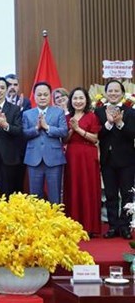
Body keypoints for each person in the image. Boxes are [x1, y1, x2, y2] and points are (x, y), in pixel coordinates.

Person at [95, 79, 135, 240]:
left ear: (122, 93)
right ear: (105, 93)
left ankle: (125, 226)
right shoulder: (98, 112)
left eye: (116, 90)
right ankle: (113, 226)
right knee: (110, 194)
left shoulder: (130, 112)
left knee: (126, 194)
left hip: (127, 160)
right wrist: (109, 124)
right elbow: (97, 135)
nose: (113, 93)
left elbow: (132, 134)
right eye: (110, 91)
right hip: (107, 160)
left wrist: (120, 123)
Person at [63, 87, 101, 237]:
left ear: (86, 100)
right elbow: (64, 140)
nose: (78, 101)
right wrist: (72, 129)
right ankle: (73, 226)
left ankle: (90, 227)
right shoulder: (67, 117)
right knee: (73, 188)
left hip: (88, 155)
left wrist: (78, 129)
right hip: (72, 156)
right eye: (75, 98)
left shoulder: (92, 116)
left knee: (88, 188)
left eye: (81, 98)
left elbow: (95, 138)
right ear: (71, 101)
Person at [22, 82, 68, 204]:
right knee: (35, 197)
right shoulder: (27, 114)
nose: (42, 97)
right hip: (33, 159)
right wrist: (37, 128)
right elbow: (24, 134)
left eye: (45, 94)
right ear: (34, 96)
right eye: (39, 95)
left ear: (50, 96)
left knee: (55, 196)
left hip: (54, 159)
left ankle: (55, 216)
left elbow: (64, 131)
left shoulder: (58, 112)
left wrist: (47, 127)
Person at [4, 73, 30, 193]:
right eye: (9, 84)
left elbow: (24, 124)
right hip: (3, 150)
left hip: (20, 150)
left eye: (15, 84)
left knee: (18, 184)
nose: (12, 87)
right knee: (4, 186)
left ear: (18, 86)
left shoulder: (25, 102)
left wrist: (18, 110)